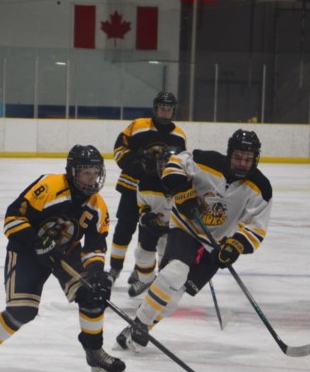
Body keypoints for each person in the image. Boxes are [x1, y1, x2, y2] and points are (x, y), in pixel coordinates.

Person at [0, 145, 126, 372]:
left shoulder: (97, 205)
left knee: (91, 295)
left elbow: (95, 245)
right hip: (27, 251)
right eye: (86, 173)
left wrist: (96, 274)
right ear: (72, 172)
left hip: (66, 251)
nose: (92, 179)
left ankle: (94, 352)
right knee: (22, 311)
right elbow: (13, 217)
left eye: (95, 173)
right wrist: (37, 242)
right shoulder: (49, 186)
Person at [115, 130, 272, 351]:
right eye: (238, 157)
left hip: (215, 243)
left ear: (256, 158)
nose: (242, 163)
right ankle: (139, 324)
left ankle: (136, 330)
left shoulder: (261, 188)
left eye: (248, 159)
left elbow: (256, 227)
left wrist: (234, 246)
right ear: (229, 154)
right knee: (174, 272)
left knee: (174, 298)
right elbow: (175, 163)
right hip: (185, 227)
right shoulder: (205, 161)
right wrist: (182, 189)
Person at [108, 91, 187, 285]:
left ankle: (140, 270)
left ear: (173, 111)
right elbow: (119, 149)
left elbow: (182, 163)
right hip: (131, 185)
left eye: (168, 109)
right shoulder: (138, 126)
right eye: (161, 108)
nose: (164, 113)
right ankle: (114, 269)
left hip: (156, 193)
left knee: (150, 230)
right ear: (155, 108)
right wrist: (135, 162)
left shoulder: (179, 136)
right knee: (124, 228)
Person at [126, 145, 179, 297]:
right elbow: (142, 206)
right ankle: (146, 279)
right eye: (164, 164)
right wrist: (146, 216)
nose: (166, 169)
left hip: (177, 226)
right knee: (142, 255)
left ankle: (163, 288)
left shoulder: (188, 183)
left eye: (171, 165)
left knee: (168, 259)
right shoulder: (147, 181)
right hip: (152, 224)